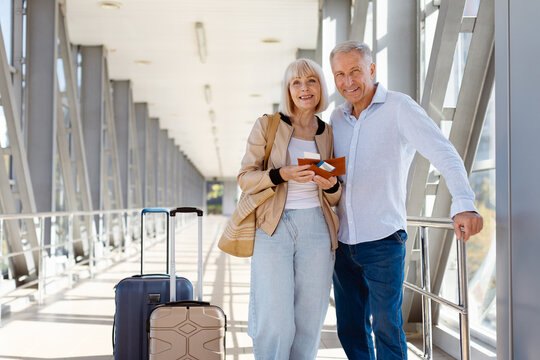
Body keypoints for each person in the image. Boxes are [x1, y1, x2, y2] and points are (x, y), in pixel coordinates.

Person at [328, 41, 484, 359]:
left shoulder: (400, 108)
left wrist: (464, 203)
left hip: (383, 241)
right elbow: (337, 168)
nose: (348, 81)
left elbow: (443, 152)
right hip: (343, 243)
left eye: (355, 71)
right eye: (340, 74)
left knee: (387, 328)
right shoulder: (337, 118)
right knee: (350, 329)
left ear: (372, 69)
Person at [237, 58, 341, 360]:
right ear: (288, 89)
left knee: (310, 318)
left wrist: (330, 186)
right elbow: (245, 178)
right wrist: (282, 174)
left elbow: (336, 194)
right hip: (274, 227)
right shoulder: (268, 125)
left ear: (321, 87)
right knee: (275, 317)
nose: (304, 88)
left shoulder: (329, 133)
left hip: (317, 230)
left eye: (311, 81)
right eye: (296, 82)